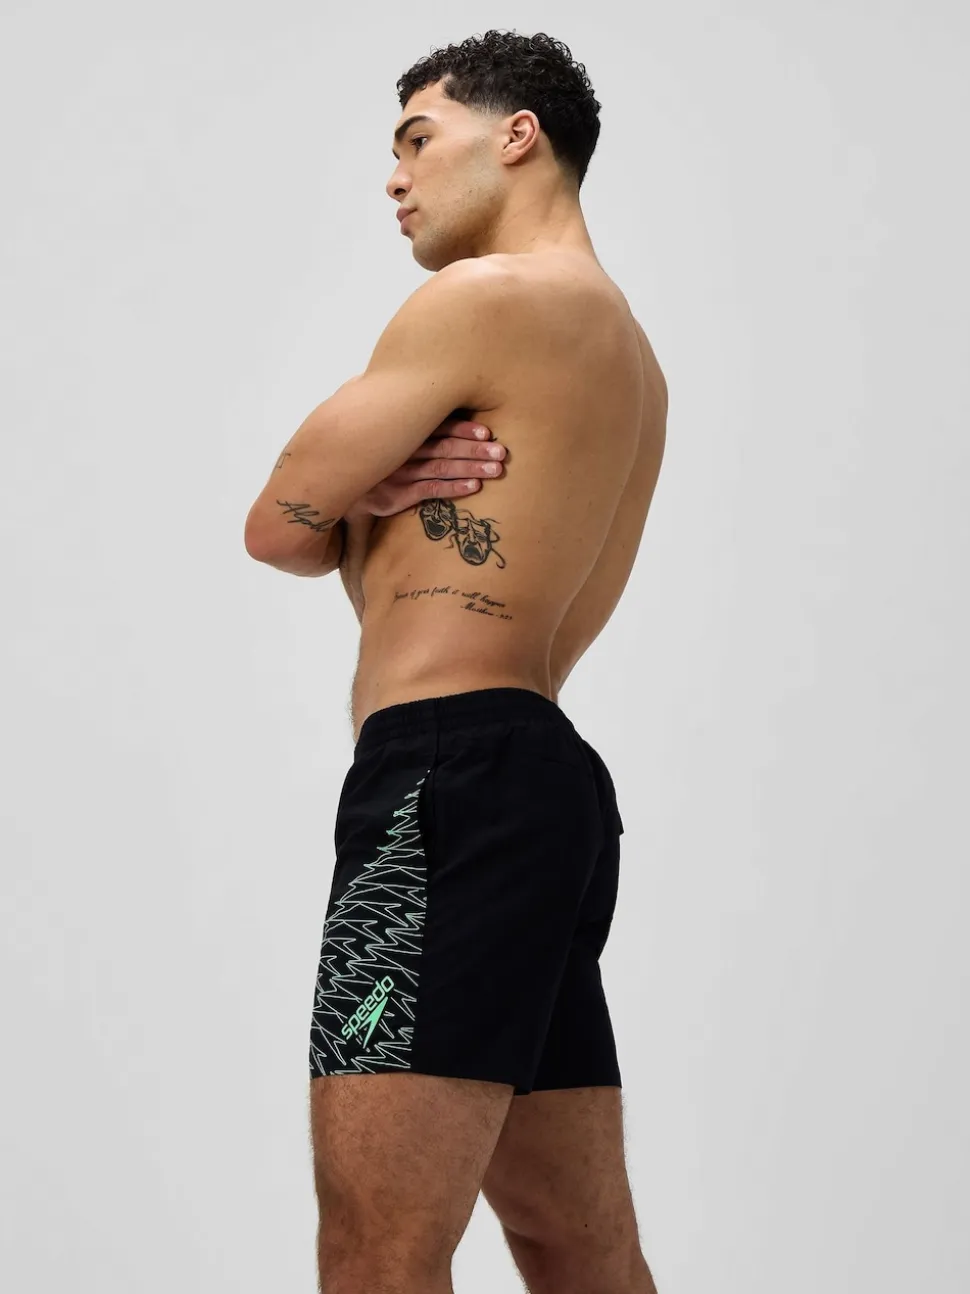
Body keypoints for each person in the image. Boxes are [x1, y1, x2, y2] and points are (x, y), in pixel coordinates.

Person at [244, 29, 667, 1294]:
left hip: (443, 783)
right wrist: (377, 494)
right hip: (542, 786)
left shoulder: (481, 300)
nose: (396, 177)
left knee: (375, 1247)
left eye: (418, 140)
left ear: (518, 136)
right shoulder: (631, 358)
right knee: (578, 1251)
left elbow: (276, 524)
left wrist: (361, 494)